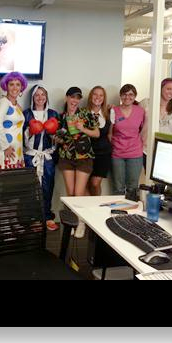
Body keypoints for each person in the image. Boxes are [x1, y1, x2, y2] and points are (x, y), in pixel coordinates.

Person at [54, 87, 99, 238]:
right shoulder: (61, 117)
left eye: (78, 98)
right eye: (72, 97)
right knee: (71, 193)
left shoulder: (85, 114)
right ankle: (73, 222)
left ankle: (81, 223)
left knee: (79, 193)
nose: (75, 100)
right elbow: (61, 139)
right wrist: (57, 139)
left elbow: (97, 133)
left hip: (84, 157)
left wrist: (83, 129)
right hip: (66, 157)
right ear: (67, 98)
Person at [22, 84, 60, 231]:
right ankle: (32, 218)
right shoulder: (26, 114)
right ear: (32, 97)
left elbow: (60, 136)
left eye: (43, 94)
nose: (40, 97)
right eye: (37, 94)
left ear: (46, 97)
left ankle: (47, 217)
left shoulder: (53, 114)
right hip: (31, 156)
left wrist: (54, 135)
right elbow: (19, 137)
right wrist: (30, 131)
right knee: (30, 189)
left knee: (47, 187)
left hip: (47, 157)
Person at [108, 84, 146, 200]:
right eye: (124, 94)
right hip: (117, 153)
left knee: (132, 188)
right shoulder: (114, 110)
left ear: (135, 96)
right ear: (120, 96)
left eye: (131, 94)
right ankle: (117, 210)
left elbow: (143, 130)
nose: (127, 97)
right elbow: (110, 133)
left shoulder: (140, 111)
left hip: (135, 153)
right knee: (118, 187)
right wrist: (114, 146)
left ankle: (131, 210)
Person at [0, 71, 27, 170]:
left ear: (21, 87)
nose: (15, 88)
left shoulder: (16, 105)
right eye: (11, 84)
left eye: (18, 84)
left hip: (15, 149)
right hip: (6, 149)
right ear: (6, 86)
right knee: (4, 177)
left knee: (13, 178)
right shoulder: (4, 102)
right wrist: (6, 146)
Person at [85, 86, 112, 196]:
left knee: (95, 183)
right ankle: (88, 206)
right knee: (86, 185)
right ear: (90, 96)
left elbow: (110, 134)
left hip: (103, 154)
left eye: (101, 95)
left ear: (104, 98)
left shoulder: (109, 113)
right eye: (95, 94)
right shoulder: (84, 113)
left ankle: (96, 203)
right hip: (87, 154)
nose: (98, 97)